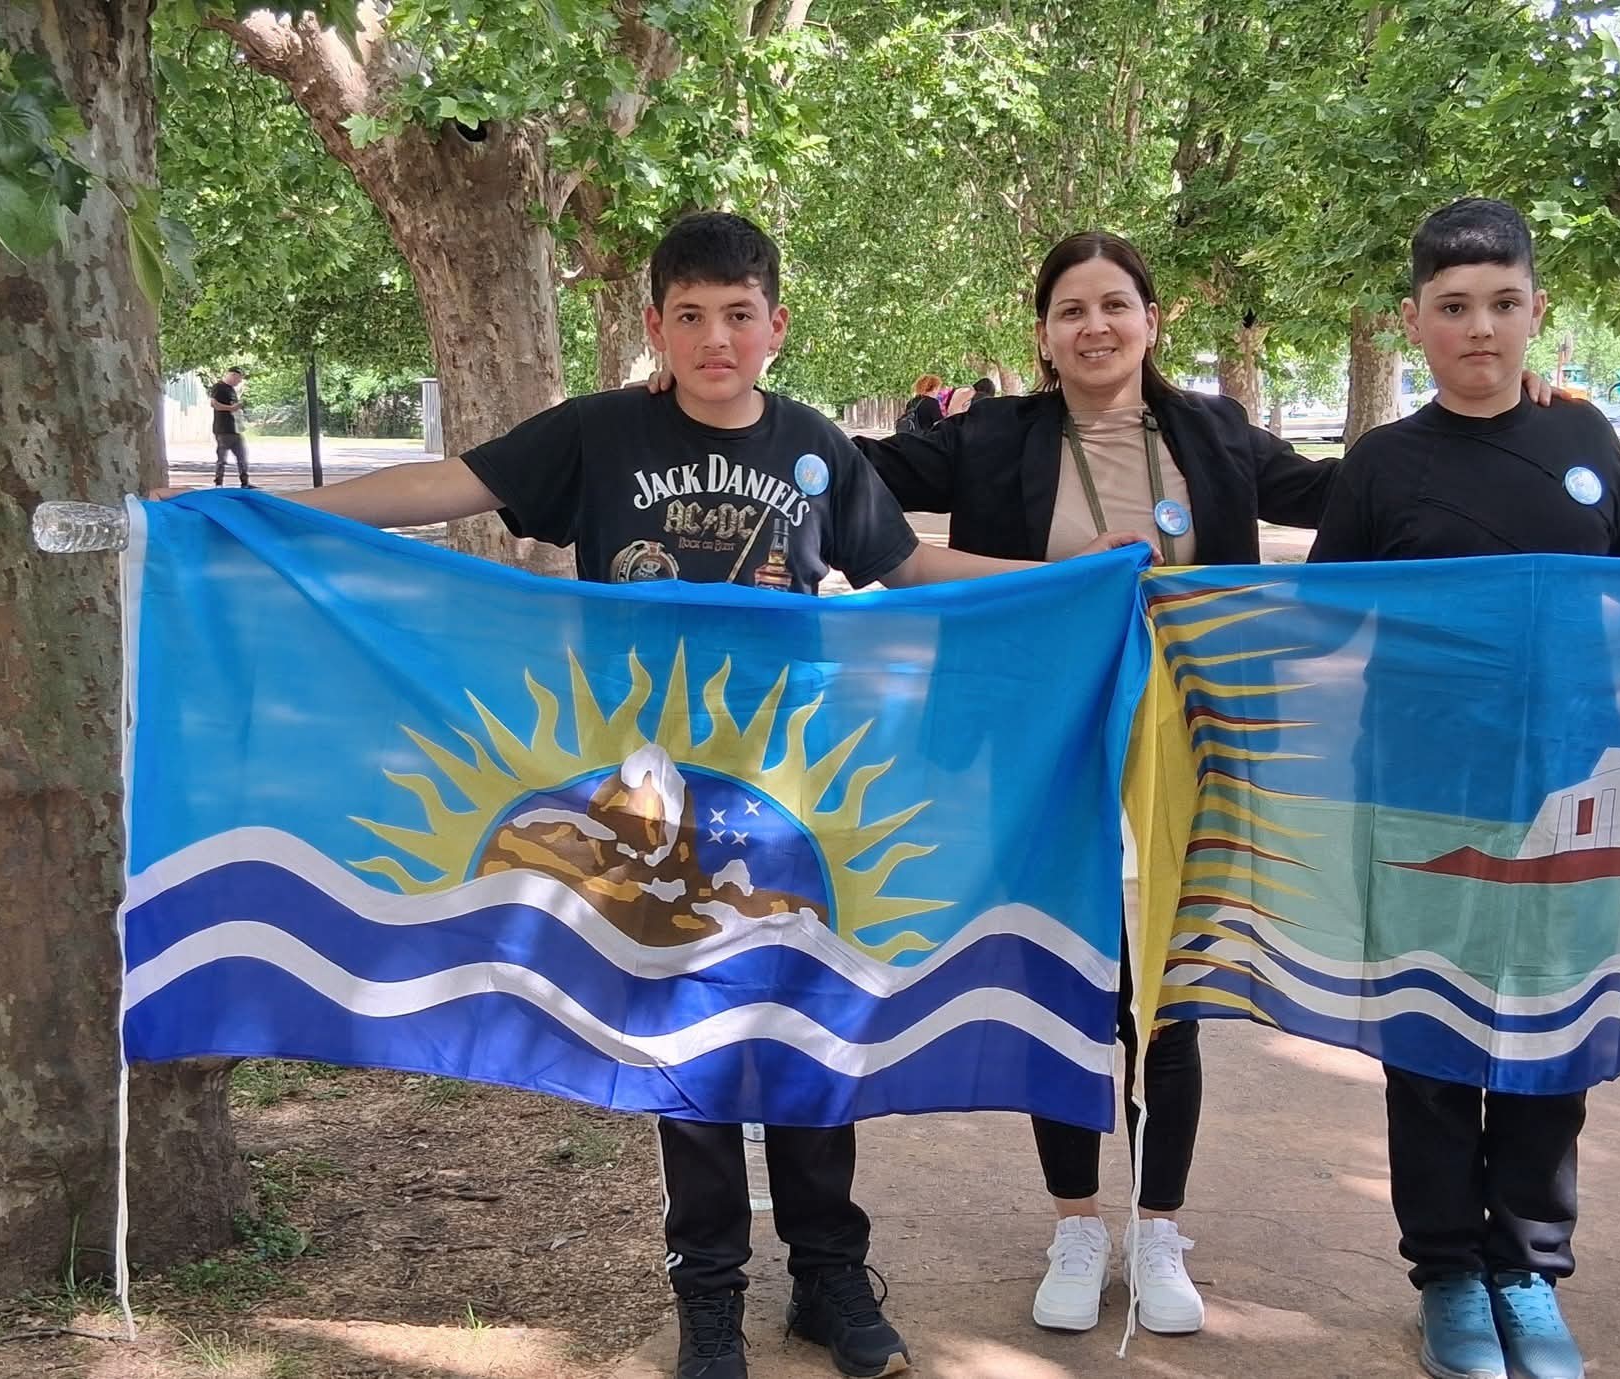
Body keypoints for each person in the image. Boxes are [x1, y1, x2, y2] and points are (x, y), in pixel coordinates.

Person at [166, 212, 1138, 1379]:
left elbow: (912, 567)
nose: (715, 338)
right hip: (646, 798)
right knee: (688, 1048)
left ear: (776, 325)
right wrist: (257, 512)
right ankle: (710, 1294)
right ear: (654, 327)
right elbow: (446, 482)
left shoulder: (815, 445)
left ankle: (828, 1275)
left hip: (793, 797)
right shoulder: (597, 434)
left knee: (807, 1027)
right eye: (690, 316)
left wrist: (1085, 576)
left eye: (738, 315)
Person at [851, 231, 1343, 1340]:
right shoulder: (991, 438)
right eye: (1069, 310)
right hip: (1037, 736)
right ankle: (1076, 1219)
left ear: (1151, 319)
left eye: (1113, 304)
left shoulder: (1210, 433)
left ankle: (1156, 1223)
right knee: (1061, 975)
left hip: (1194, 735)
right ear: (1042, 334)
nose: (1094, 326)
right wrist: (703, 399)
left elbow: (1358, 493)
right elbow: (845, 470)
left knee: (1170, 985)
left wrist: (1513, 405)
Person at [1308, 197, 1620, 1379]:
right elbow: (1318, 625)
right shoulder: (1379, 466)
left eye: (1501, 303)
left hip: (1567, 792)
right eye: (1451, 308)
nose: (1479, 329)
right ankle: (1447, 1271)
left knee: (1554, 1029)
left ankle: (1527, 1267)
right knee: (1435, 1040)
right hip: (1419, 797)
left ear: (1534, 309)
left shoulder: (1585, 440)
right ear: (1414, 324)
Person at [210, 366, 250, 489]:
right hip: (223, 429)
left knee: (242, 457)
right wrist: (231, 408)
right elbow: (214, 404)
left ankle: (245, 482)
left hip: (235, 429)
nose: (239, 382)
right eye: (238, 379)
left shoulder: (232, 390)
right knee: (222, 458)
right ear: (232, 375)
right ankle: (219, 483)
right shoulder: (218, 387)